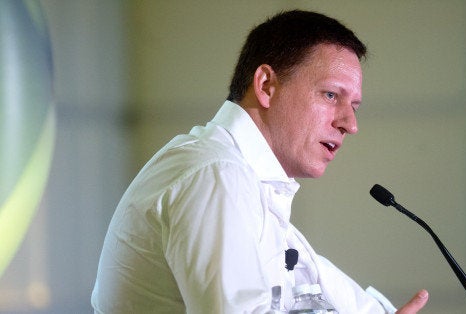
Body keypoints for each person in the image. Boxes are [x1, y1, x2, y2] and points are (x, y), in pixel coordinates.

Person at [91, 9, 428, 313]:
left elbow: (323, 287)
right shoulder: (216, 175)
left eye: (353, 106)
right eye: (330, 95)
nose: (349, 124)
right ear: (266, 85)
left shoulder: (244, 182)